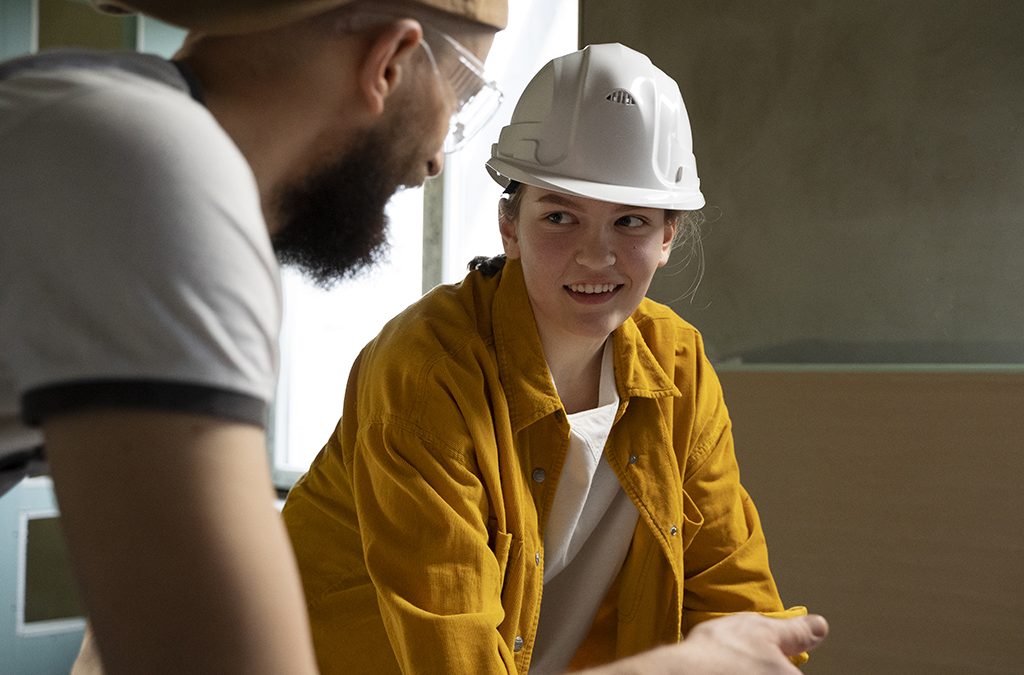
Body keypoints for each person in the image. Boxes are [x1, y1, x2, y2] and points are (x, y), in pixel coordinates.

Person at [282, 43, 825, 674]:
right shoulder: (427, 372)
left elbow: (731, 598)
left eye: (631, 222)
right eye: (561, 216)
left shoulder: (677, 363)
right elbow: (450, 655)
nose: (597, 256)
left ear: (669, 237)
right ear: (509, 227)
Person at [0, 1, 506, 672]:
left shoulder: (78, 108)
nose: (439, 158)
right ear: (389, 62)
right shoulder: (153, 170)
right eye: (462, 97)